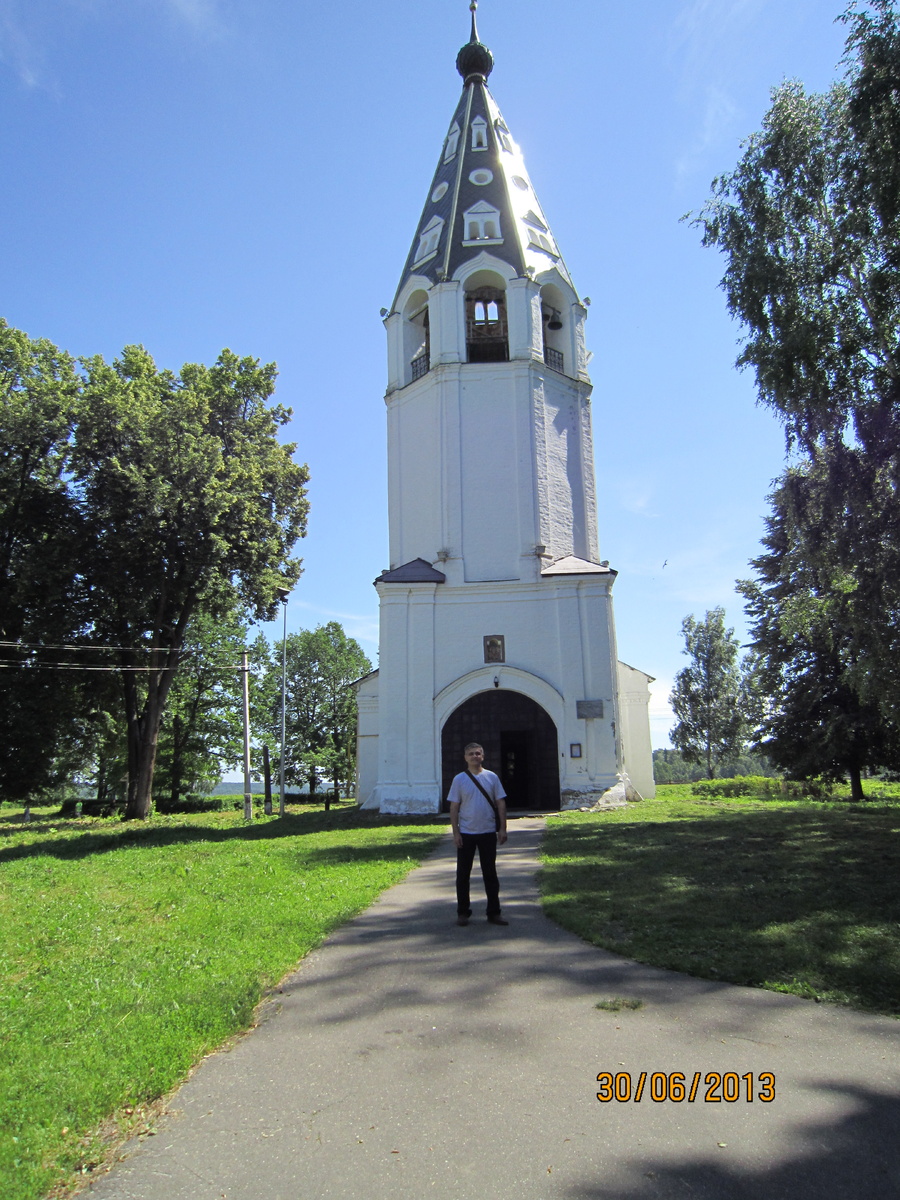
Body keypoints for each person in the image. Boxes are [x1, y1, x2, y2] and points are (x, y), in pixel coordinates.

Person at [447, 742, 508, 926]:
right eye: (471, 754)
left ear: (483, 756)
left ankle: (494, 912)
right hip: (466, 833)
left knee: (490, 874)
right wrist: (456, 832)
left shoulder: (492, 777)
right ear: (465, 757)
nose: (475, 756)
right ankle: (463, 912)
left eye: (478, 753)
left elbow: (501, 803)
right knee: (463, 875)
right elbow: (454, 807)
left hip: (488, 832)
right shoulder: (459, 779)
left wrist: (503, 828)